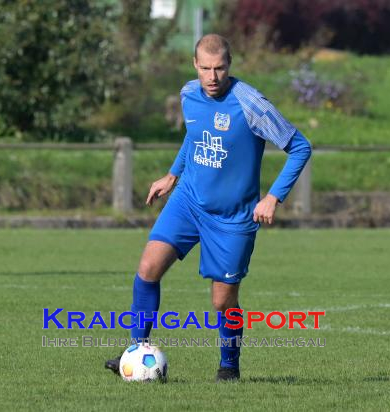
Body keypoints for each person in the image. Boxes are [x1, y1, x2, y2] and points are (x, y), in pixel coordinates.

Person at [105, 34, 312, 381]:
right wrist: (173, 175)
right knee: (147, 267)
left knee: (222, 302)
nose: (212, 77)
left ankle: (229, 366)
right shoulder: (189, 94)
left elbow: (301, 147)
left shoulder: (251, 104)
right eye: (206, 69)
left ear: (229, 65)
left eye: (220, 69)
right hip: (188, 200)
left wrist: (273, 197)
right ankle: (136, 350)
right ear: (195, 65)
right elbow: (194, 135)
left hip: (233, 218)